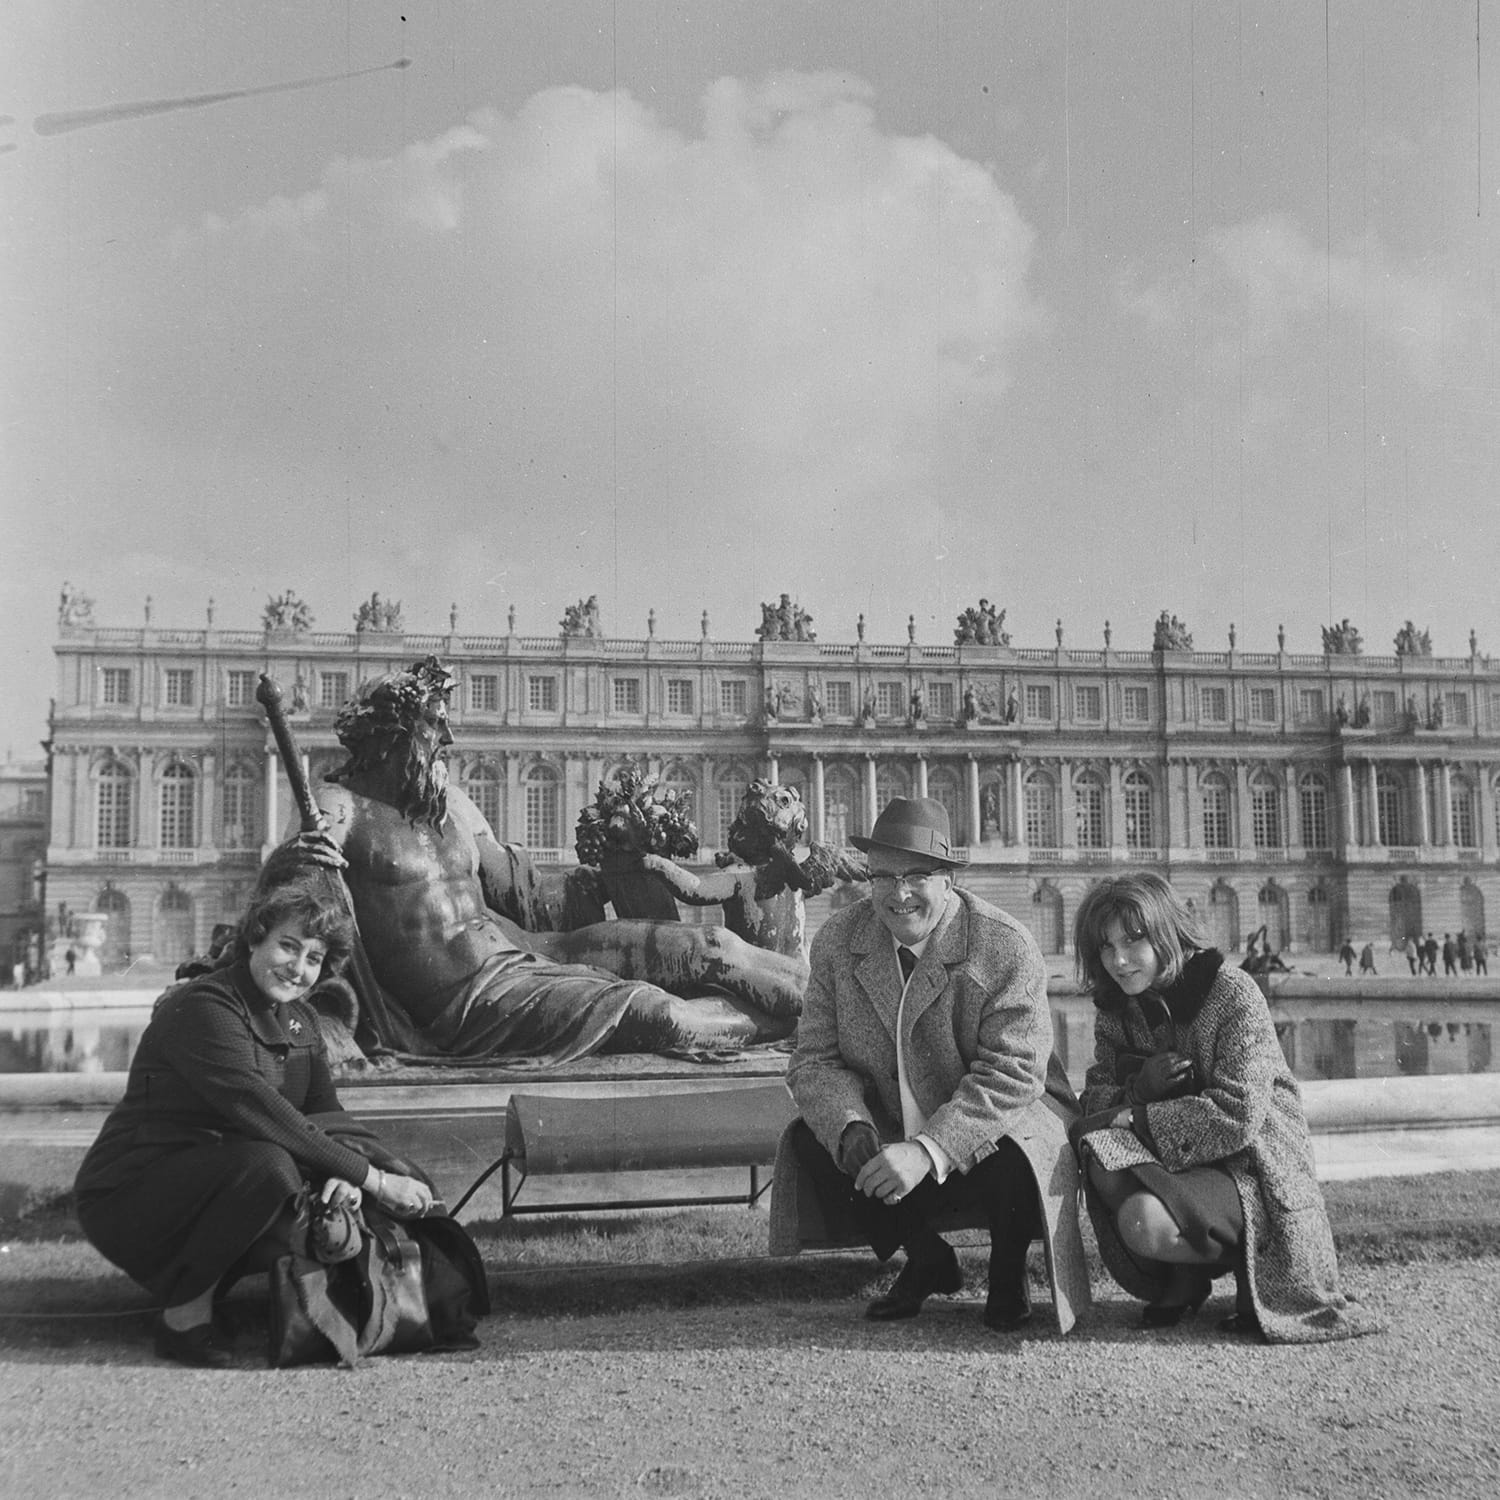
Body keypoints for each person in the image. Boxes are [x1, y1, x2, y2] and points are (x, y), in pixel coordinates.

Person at [286, 656, 805, 1065]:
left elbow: (529, 896)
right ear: (393, 733)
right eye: (433, 726)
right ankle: (811, 1025)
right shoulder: (336, 809)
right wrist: (293, 870)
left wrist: (615, 858)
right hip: (473, 1003)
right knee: (661, 1013)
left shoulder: (452, 807)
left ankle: (832, 996)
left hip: (534, 951)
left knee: (709, 944)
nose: (448, 739)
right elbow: (292, 907)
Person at [73, 870, 437, 1367]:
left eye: (314, 959)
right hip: (132, 1191)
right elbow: (261, 1111)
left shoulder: (302, 1020)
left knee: (322, 1176)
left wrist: (346, 1173)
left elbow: (324, 1113)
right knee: (269, 1167)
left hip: (218, 1178)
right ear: (255, 937)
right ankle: (183, 1318)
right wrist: (372, 1179)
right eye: (289, 947)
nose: (298, 968)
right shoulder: (205, 1007)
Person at [785, 798, 1086, 1333]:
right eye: (883, 876)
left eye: (917, 875)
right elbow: (814, 1059)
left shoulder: (1002, 944)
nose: (898, 893)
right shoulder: (838, 940)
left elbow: (1013, 1074)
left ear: (948, 879)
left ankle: (1007, 1270)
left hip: (992, 1136)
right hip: (896, 1130)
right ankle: (926, 1258)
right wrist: (851, 1125)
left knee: (1023, 1148)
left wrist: (929, 1149)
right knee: (815, 1139)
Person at [1070, 872, 1378, 1343]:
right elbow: (1093, 1098)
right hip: (1188, 1168)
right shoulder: (1118, 1010)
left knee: (1140, 1219)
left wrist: (1139, 1115)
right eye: (1107, 948)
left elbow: (1237, 1115)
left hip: (1255, 1171)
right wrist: (1138, 1091)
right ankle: (1186, 1276)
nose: (1119, 961)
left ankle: (1252, 1270)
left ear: (1167, 934)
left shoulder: (1231, 992)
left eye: (1133, 942)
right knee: (1102, 1164)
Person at [635, 779, 866, 965]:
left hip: (759, 978)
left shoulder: (743, 877)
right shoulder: (799, 877)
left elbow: (695, 890)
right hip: (799, 975)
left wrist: (656, 863)